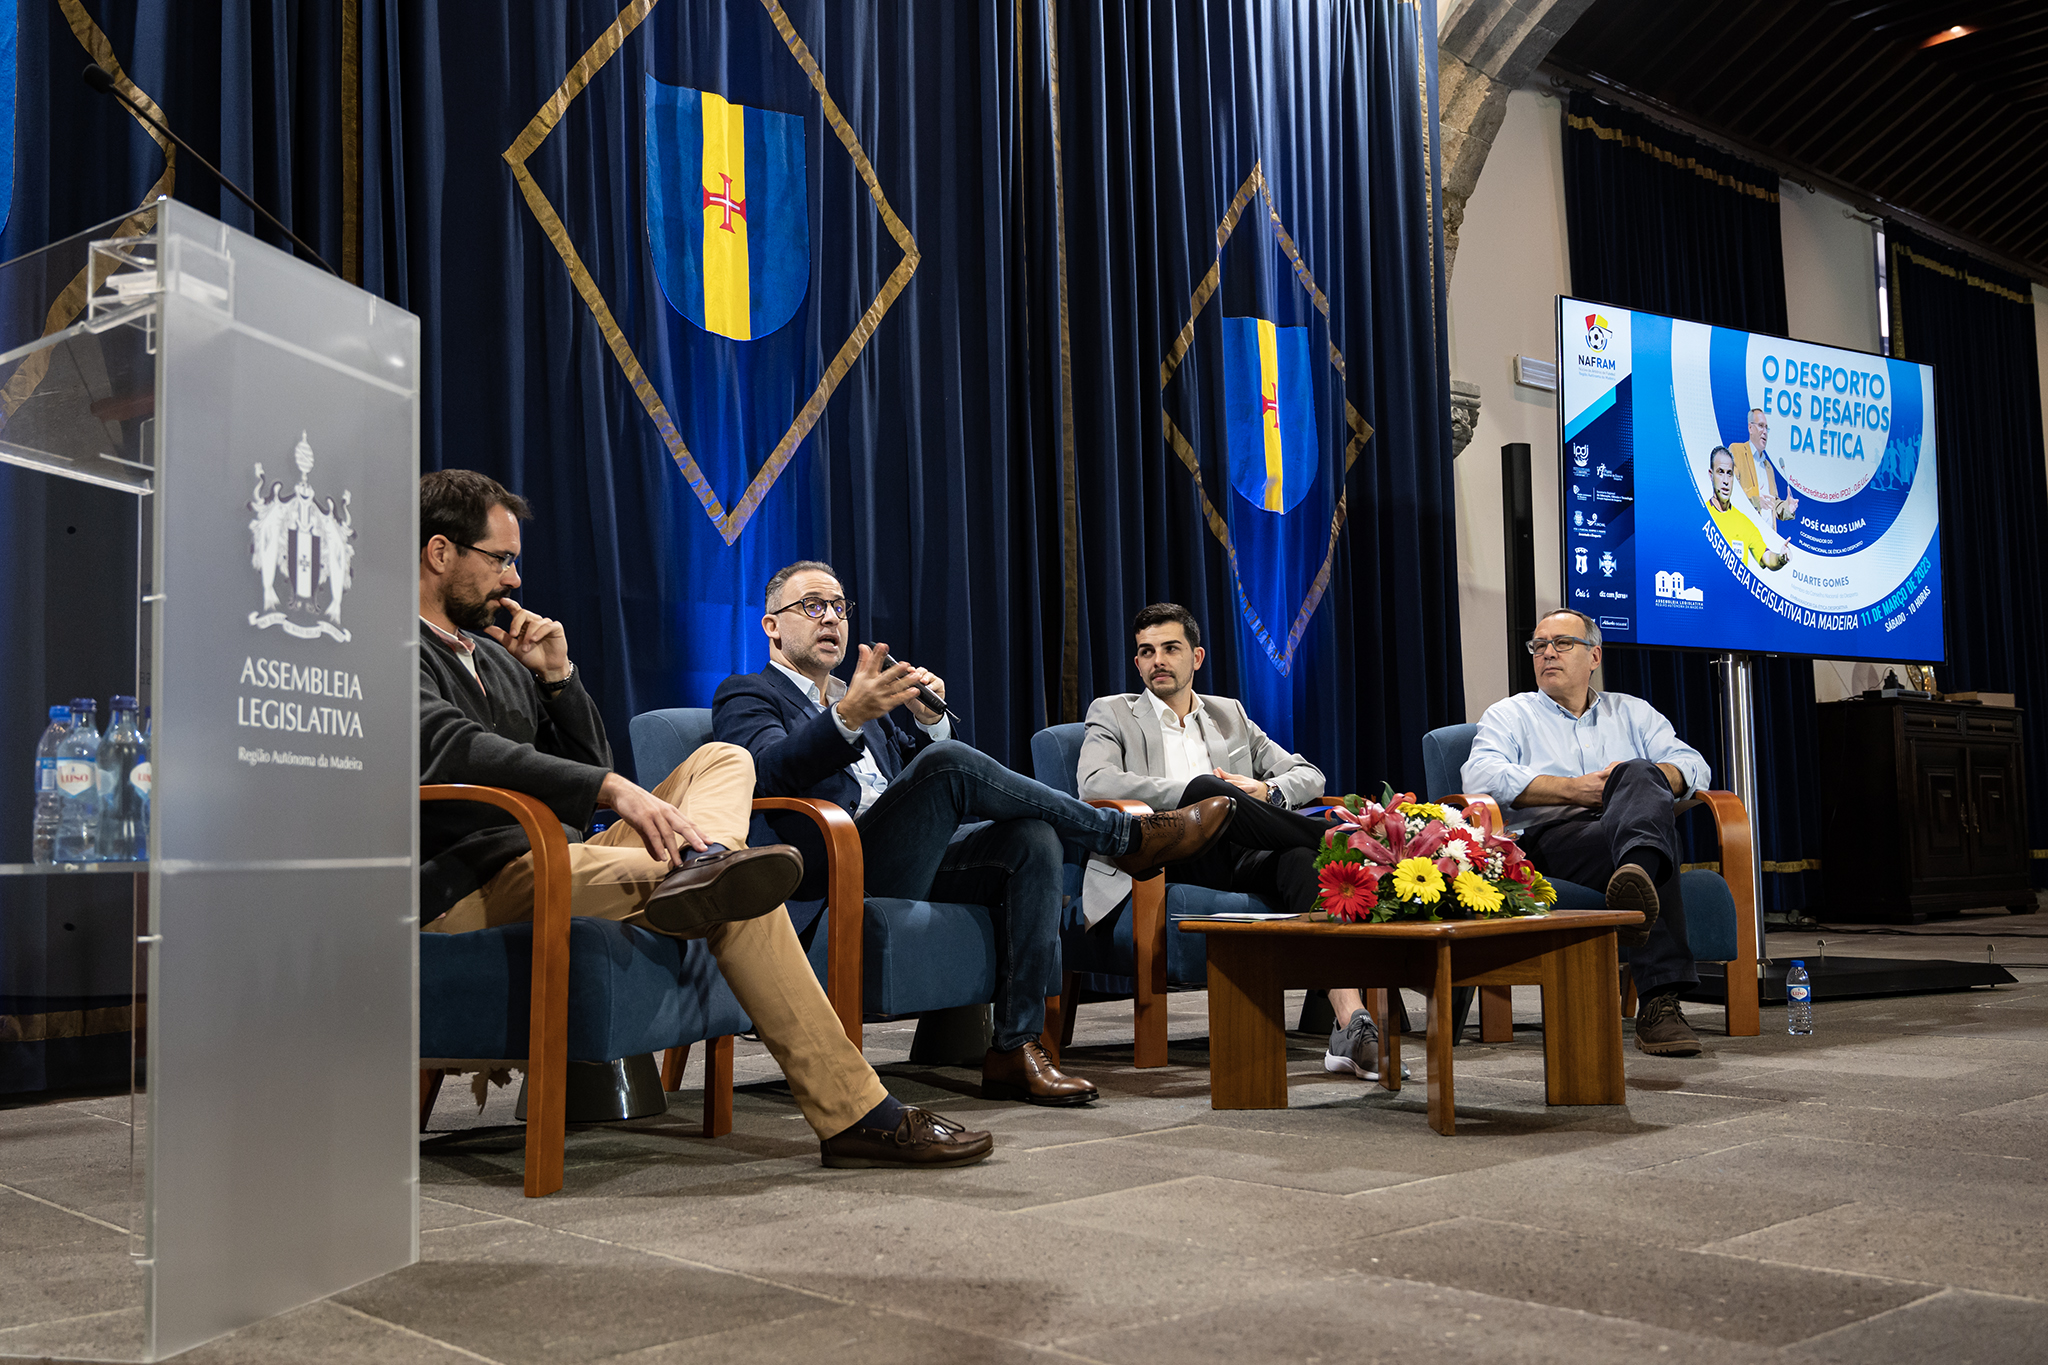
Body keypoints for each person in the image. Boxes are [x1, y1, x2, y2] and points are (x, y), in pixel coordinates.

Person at [416, 471, 991, 1168]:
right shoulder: (391, 649)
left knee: (723, 759)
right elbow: (452, 745)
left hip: (555, 854)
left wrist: (559, 680)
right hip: (471, 879)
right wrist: (614, 790)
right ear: (440, 552)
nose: (514, 578)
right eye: (500, 559)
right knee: (741, 895)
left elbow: (587, 763)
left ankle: (707, 859)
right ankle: (857, 1114)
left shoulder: (499, 657)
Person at [714, 562, 1236, 1107]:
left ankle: (1015, 1048)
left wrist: (928, 722)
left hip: (901, 857)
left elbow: (912, 783)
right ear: (772, 626)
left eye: (839, 607)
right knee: (949, 764)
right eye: (812, 606)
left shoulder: (864, 703)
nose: (831, 619)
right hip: (833, 866)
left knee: (1032, 839)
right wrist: (845, 718)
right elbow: (766, 771)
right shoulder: (748, 693)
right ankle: (1124, 836)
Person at [1076, 603, 1405, 1083]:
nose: (1157, 660)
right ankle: (1352, 838)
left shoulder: (1228, 714)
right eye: (1146, 652)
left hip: (1234, 854)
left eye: (1170, 648)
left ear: (1197, 657)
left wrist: (1267, 791)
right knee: (1208, 789)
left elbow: (1309, 774)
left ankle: (1350, 1023)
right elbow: (1095, 783)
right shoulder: (1111, 712)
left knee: (1301, 860)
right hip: (1158, 857)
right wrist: (1199, 795)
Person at [1461, 608, 1712, 1057]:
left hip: (1619, 834)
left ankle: (1636, 869)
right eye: (1539, 645)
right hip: (1550, 840)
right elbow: (1480, 776)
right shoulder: (1510, 714)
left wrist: (1643, 781)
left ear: (1594, 655)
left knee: (1640, 774)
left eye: (1562, 643)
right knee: (1656, 840)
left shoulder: (1632, 712)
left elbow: (1695, 766)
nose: (1547, 653)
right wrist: (1574, 789)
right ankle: (1660, 1003)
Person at [1707, 445, 1788, 571]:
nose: (1726, 481)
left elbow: (1767, 558)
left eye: (1729, 474)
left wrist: (1781, 558)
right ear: (1711, 475)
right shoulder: (1702, 514)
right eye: (1720, 472)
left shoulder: (1744, 523)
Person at [1727, 408, 1799, 523]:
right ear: (1750, 428)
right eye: (1761, 426)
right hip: (1746, 528)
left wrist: (1788, 507)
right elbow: (1731, 490)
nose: (1765, 432)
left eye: (1766, 428)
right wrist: (1756, 499)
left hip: (1767, 532)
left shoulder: (1768, 467)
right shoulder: (1737, 451)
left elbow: (1773, 504)